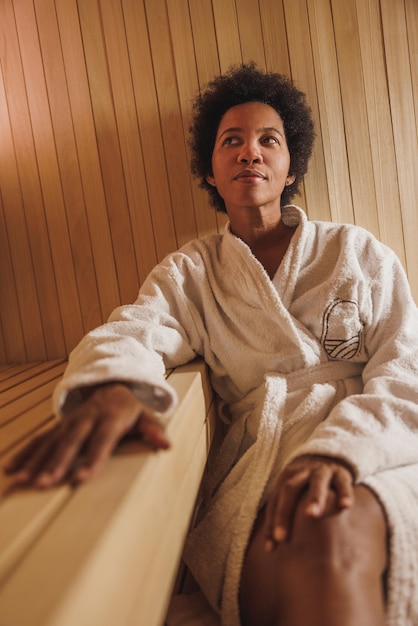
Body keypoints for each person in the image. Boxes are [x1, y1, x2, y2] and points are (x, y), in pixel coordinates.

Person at [5, 63, 418, 626]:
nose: (251, 152)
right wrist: (117, 383)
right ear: (210, 172)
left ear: (290, 164)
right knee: (305, 548)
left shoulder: (357, 252)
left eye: (268, 140)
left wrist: (341, 450)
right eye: (232, 142)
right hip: (262, 466)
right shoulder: (193, 273)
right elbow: (136, 329)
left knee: (329, 528)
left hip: (375, 451)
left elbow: (407, 370)